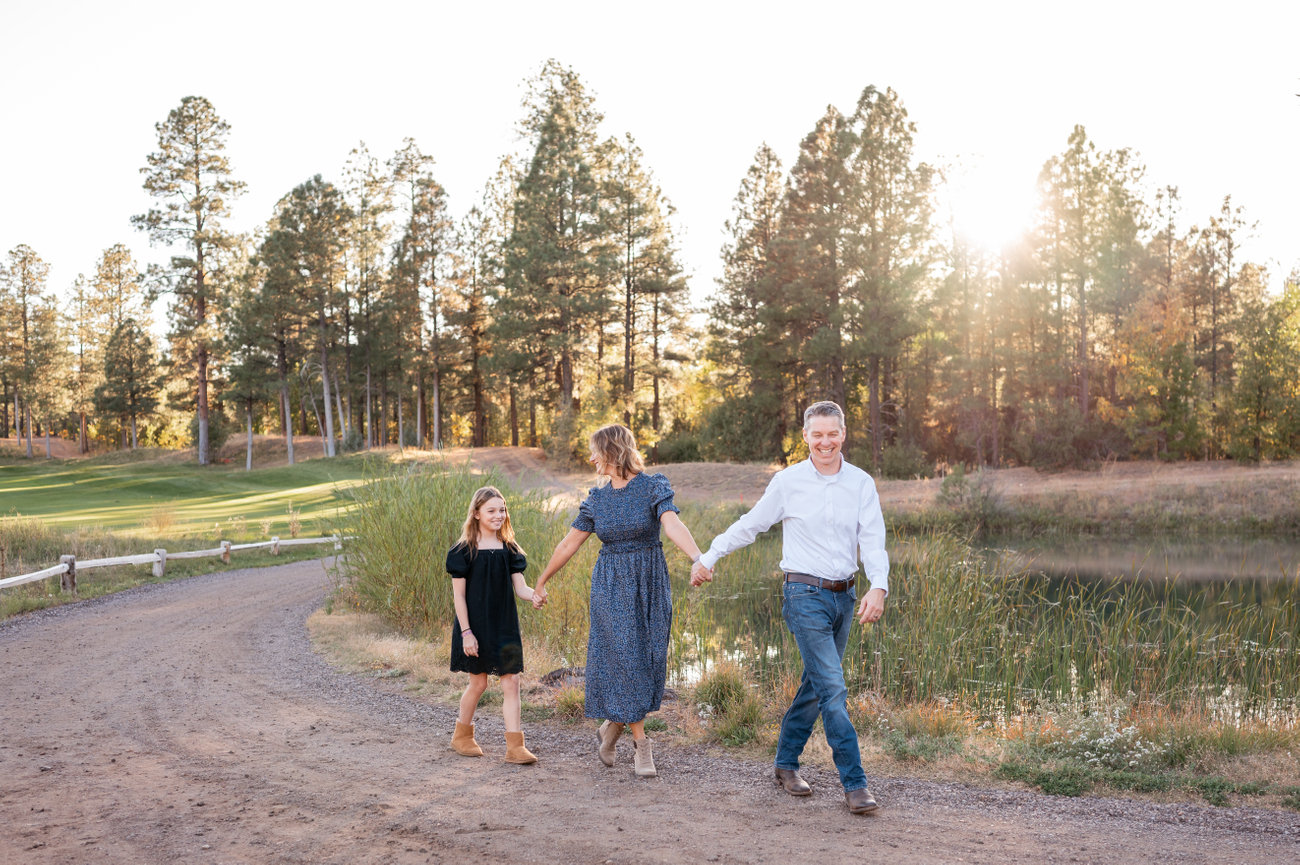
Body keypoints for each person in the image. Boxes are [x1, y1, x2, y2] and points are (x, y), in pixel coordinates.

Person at [690, 400, 888, 814]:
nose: (825, 441)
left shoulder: (861, 483)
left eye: (832, 433)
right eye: (817, 434)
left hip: (846, 596)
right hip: (803, 595)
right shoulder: (788, 482)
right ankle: (855, 784)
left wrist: (878, 587)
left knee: (817, 687)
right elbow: (752, 524)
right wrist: (709, 557)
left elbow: (872, 540)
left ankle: (784, 764)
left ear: (844, 434)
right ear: (805, 437)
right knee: (833, 688)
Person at [532, 424, 706, 778]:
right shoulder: (597, 499)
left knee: (645, 658)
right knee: (626, 656)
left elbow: (672, 526)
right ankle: (643, 746)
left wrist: (698, 558)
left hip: (650, 582)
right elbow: (569, 543)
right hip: (611, 587)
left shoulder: (652, 486)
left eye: (595, 451)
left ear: (611, 451)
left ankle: (611, 730)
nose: (591, 458)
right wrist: (542, 579)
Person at [447, 485, 539, 764]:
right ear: (476, 513)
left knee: (512, 682)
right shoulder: (463, 551)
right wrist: (466, 633)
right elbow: (459, 597)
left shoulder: (509, 549)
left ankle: (515, 747)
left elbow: (520, 588)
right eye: (491, 510)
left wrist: (534, 595)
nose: (498, 515)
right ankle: (462, 736)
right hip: (474, 627)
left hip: (505, 626)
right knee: (478, 683)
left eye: (502, 510)